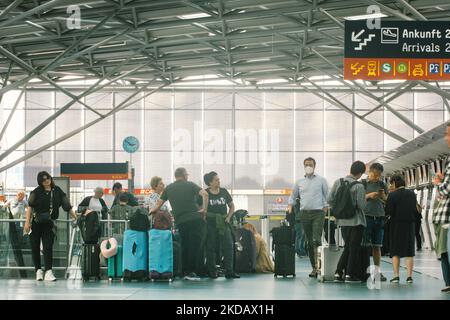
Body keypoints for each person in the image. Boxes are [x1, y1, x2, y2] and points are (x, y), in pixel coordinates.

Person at [150, 167, 208, 281]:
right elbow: (205, 194)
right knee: (196, 246)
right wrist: (204, 210)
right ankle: (192, 271)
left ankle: (185, 271)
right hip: (195, 219)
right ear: (184, 175)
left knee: (185, 245)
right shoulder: (190, 184)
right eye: (187, 174)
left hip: (181, 221)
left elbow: (159, 203)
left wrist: (152, 211)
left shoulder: (169, 188)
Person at [24, 171, 77, 281]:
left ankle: (48, 271)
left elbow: (67, 205)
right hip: (36, 223)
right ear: (40, 182)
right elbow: (30, 207)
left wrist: (75, 217)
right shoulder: (36, 192)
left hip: (49, 224)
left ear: (50, 178)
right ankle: (38, 271)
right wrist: (27, 222)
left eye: (47, 178)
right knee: (35, 247)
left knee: (48, 247)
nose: (46, 181)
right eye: (43, 180)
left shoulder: (57, 191)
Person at [287, 157, 329, 278]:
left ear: (314, 166)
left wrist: (325, 208)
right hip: (304, 213)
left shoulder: (321, 180)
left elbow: (327, 195)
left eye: (310, 164)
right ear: (304, 166)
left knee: (316, 239)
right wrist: (290, 205)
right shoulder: (299, 181)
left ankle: (320, 268)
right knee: (310, 242)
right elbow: (293, 195)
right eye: (306, 164)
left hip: (318, 213)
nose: (308, 166)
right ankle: (314, 268)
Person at [328, 161, 367, 283]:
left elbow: (329, 199)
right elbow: (362, 205)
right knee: (353, 248)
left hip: (342, 221)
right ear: (360, 173)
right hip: (356, 221)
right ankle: (350, 275)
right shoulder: (359, 186)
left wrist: (340, 209)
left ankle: (338, 273)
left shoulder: (338, 182)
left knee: (347, 248)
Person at [203, 171, 240, 279]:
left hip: (224, 222)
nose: (219, 181)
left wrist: (228, 217)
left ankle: (229, 271)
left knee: (228, 245)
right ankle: (212, 271)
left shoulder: (224, 191)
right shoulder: (205, 193)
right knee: (211, 247)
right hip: (210, 222)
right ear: (210, 182)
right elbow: (200, 207)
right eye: (216, 180)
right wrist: (204, 217)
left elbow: (231, 206)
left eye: (219, 179)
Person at [385, 174, 418, 284]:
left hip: (396, 225)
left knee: (395, 251)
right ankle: (409, 277)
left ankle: (396, 276)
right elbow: (414, 209)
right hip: (410, 224)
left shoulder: (392, 195)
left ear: (394, 183)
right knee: (409, 251)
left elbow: (389, 211)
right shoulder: (412, 193)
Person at [362, 163, 388, 282]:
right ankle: (365, 271)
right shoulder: (362, 184)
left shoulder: (382, 184)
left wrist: (383, 196)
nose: (377, 178)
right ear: (369, 172)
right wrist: (368, 195)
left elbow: (387, 199)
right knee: (366, 246)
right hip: (366, 217)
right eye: (375, 175)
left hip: (379, 217)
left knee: (377, 246)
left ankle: (377, 272)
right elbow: (358, 199)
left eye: (379, 176)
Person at [432, 123, 450, 293]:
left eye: (448, 134)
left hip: (446, 218)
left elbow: (446, 189)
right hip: (444, 217)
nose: (446, 138)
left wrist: (439, 184)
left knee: (445, 250)